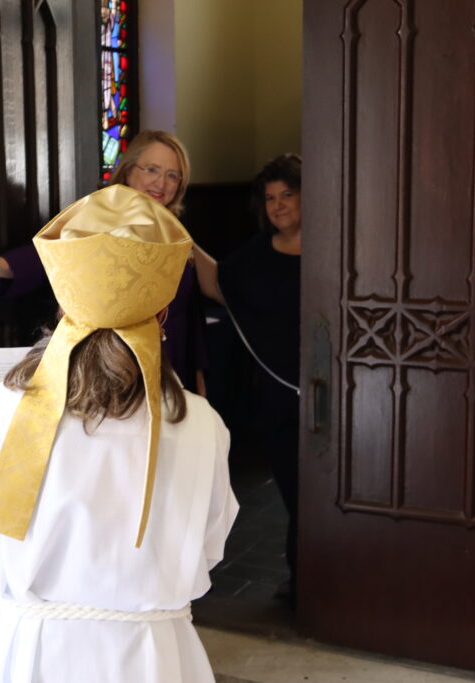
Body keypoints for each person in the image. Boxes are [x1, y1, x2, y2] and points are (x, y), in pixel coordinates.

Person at [0, 185, 238, 682]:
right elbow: (209, 548)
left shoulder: (2, 413)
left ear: (62, 303)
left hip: (32, 656)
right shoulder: (200, 423)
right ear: (163, 314)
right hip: (155, 658)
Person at [0, 130, 210, 395]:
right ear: (128, 171)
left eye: (172, 175)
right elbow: (56, 253)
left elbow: (192, 313)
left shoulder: (176, 232)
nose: (161, 183)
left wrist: (198, 383)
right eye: (152, 169)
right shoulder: (101, 215)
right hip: (118, 363)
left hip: (173, 360)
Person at [193, 153, 302, 598]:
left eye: (288, 195)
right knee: (296, 495)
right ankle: (304, 583)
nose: (278, 206)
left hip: (336, 389)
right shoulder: (258, 253)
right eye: (271, 198)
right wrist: (180, 239)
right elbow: (218, 283)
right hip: (280, 392)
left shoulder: (335, 245)